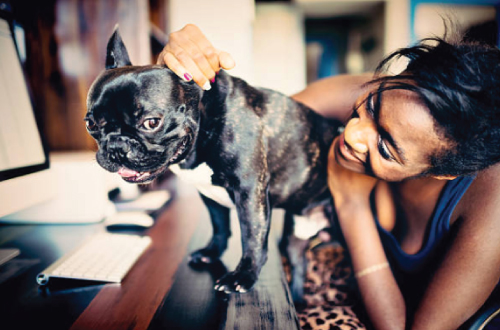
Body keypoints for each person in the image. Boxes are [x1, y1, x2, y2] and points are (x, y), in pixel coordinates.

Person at [158, 24, 500, 330]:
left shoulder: (492, 203)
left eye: (384, 148)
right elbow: (245, 145)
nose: (353, 134)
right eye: (370, 106)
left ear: (445, 172)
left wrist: (352, 204)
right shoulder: (371, 92)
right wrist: (169, 83)